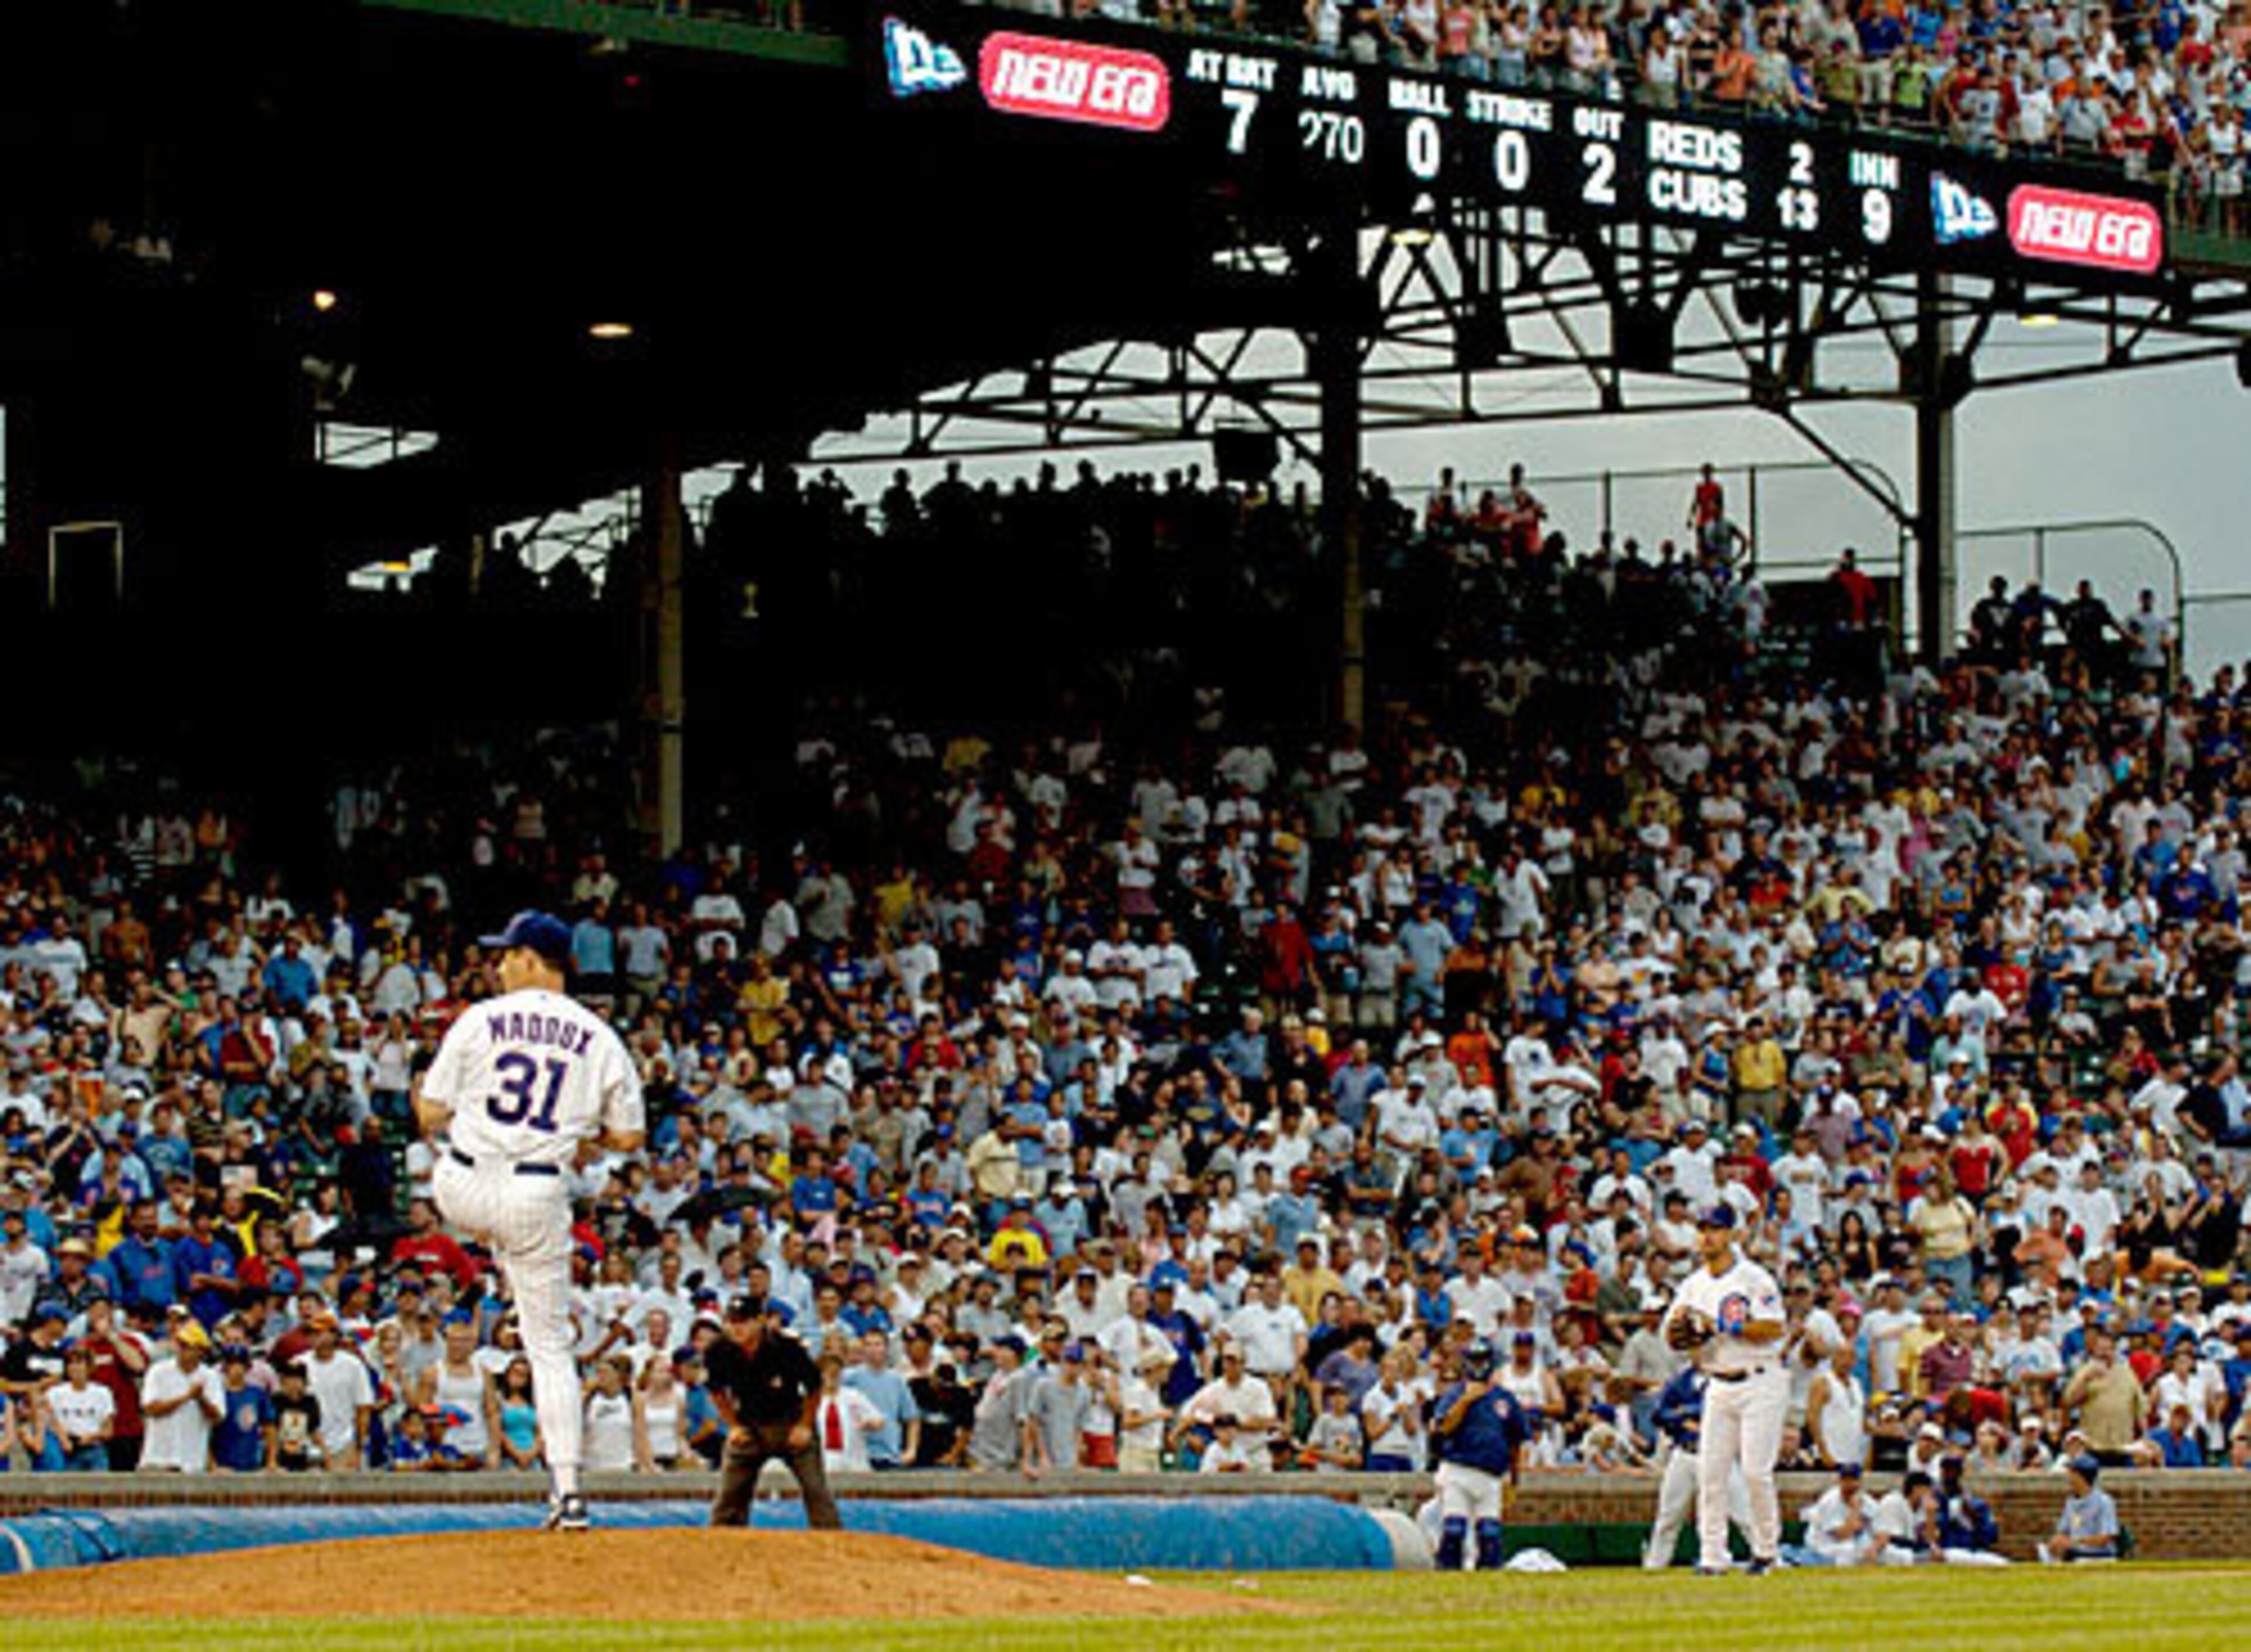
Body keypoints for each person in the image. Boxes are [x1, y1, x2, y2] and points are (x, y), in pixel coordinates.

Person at [416, 909, 647, 1531]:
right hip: (536, 1195)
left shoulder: (478, 1019)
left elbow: (429, 1114)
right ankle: (568, 1492)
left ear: (530, 959)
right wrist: (588, 1137)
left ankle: (486, 1269)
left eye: (505, 954)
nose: (497, 964)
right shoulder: (598, 1035)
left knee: (464, 1191)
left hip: (460, 1186)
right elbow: (629, 1134)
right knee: (549, 1347)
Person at [1662, 1204, 1787, 1575]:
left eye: (1715, 1229)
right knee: (1711, 1473)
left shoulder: (1754, 1278)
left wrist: (1721, 1326)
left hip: (1761, 1378)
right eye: (1702, 1229)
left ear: (1731, 1234)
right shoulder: (1693, 1284)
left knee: (1755, 1472)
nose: (1707, 1236)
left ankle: (1767, 1551)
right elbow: (1673, 1334)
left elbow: (1774, 1327)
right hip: (1718, 1382)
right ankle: (1713, 1555)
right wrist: (1682, 1331)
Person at [706, 1295, 841, 1530]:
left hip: (790, 1422)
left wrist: (805, 1425)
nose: (737, 1328)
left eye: (744, 1322)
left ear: (760, 1322)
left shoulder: (785, 1347)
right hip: (750, 1423)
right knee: (729, 1494)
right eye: (732, 1322)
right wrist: (733, 1425)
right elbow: (717, 1390)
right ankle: (722, 1544)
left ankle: (832, 1539)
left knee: (816, 1489)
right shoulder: (719, 1350)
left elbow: (814, 1386)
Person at [1427, 1339, 1530, 1572]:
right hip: (1459, 1468)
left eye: (1482, 1360)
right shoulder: (1455, 1394)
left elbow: (1516, 1441)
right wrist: (1467, 1400)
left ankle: (1489, 1576)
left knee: (1489, 1534)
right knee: (1454, 1528)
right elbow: (1444, 1427)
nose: (1478, 1366)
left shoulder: (1505, 1399)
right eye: (1474, 1360)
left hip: (1491, 1474)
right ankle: (1447, 1573)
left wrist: (1514, 1479)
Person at [1643, 1365, 1750, 1568]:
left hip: (1719, 1454)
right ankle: (1655, 1563)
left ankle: (1768, 1557)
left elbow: (1726, 1410)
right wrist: (1684, 1418)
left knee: (1743, 1513)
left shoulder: (1730, 1377)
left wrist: (1687, 1412)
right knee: (1669, 1515)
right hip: (1684, 1452)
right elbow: (1659, 1414)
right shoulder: (1680, 1380)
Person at [2039, 1454, 2121, 1563]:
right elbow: (2063, 1530)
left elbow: (2106, 1538)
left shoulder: (2104, 1502)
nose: (2069, 1477)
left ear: (2081, 1477)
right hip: (2075, 1556)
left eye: (2072, 1473)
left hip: (2100, 1557)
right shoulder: (2071, 1503)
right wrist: (2057, 1541)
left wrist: (2075, 1541)